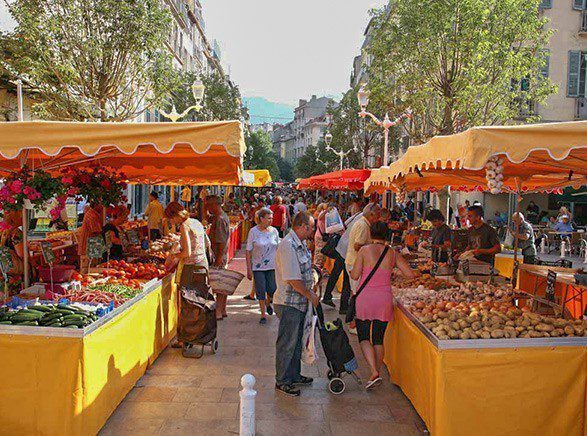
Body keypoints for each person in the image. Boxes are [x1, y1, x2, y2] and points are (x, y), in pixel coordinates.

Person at [350, 222, 416, 389]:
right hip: (384, 298)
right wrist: (391, 274)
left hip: (365, 297)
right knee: (378, 338)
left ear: (371, 234)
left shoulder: (364, 250)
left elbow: (356, 275)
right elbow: (410, 274)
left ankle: (373, 371)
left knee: (364, 337)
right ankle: (376, 371)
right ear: (387, 235)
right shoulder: (392, 253)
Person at [274, 211, 319, 397]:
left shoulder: (299, 244)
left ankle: (293, 375)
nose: (313, 230)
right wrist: (310, 295)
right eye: (311, 227)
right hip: (289, 303)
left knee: (296, 342)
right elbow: (292, 278)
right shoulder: (288, 245)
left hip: (299, 302)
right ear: (302, 226)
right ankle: (283, 380)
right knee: (287, 343)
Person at [163, 201, 210, 357]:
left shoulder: (184, 226)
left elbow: (187, 253)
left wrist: (173, 255)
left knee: (185, 302)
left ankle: (185, 338)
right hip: (202, 265)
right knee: (199, 301)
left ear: (175, 216)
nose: (172, 223)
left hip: (190, 268)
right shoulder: (195, 222)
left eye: (171, 219)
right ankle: (199, 333)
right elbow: (206, 243)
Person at [346, 204, 381, 332]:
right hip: (355, 263)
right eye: (377, 215)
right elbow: (357, 245)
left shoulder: (364, 224)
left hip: (356, 263)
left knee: (356, 292)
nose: (378, 218)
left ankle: (355, 322)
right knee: (357, 294)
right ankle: (354, 324)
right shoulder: (363, 225)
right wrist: (373, 249)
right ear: (371, 214)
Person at [246, 207, 280, 324]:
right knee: (260, 289)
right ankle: (263, 315)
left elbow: (279, 247)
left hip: (272, 266)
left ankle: (268, 302)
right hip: (258, 267)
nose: (271, 220)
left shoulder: (274, 231)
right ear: (261, 219)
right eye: (268, 218)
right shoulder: (253, 232)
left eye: (272, 218)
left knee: (272, 289)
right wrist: (249, 269)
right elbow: (248, 250)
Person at [207, 195, 231, 320]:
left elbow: (221, 241)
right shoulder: (220, 217)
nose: (207, 207)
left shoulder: (220, 219)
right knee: (222, 283)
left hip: (219, 255)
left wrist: (218, 258)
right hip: (221, 255)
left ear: (215, 205)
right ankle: (223, 309)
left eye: (208, 205)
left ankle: (218, 311)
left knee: (219, 285)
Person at [0, 211, 25, 295]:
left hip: (1, 270)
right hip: (11, 273)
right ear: (14, 218)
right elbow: (22, 254)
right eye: (21, 216)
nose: (23, 218)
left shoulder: (1, 229)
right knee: (11, 299)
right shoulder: (16, 233)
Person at [78, 203, 104, 269]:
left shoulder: (93, 214)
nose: (102, 206)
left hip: (92, 246)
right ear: (95, 205)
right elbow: (96, 231)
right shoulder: (92, 215)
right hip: (88, 248)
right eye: (101, 204)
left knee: (91, 269)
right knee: (87, 270)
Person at [313, 203, 329, 273]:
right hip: (320, 236)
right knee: (319, 252)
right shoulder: (322, 213)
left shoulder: (323, 214)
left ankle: (319, 268)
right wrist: (326, 211)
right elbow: (320, 217)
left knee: (322, 253)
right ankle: (316, 269)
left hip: (321, 236)